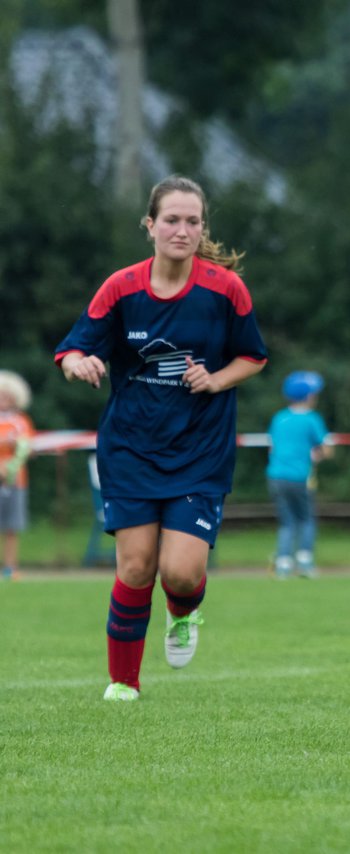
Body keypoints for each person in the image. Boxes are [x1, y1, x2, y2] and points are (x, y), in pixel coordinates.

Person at [55, 175, 267, 701]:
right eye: (171, 219)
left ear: (202, 228)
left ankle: (183, 611)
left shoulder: (225, 289)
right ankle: (123, 683)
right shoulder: (121, 287)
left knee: (179, 572)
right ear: (149, 225)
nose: (182, 229)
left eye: (192, 221)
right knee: (135, 565)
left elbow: (254, 356)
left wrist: (216, 379)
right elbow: (73, 349)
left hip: (199, 448)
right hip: (130, 446)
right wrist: (80, 364)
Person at [266, 370, 332, 579]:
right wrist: (316, 456)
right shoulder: (312, 419)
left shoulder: (279, 418)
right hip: (300, 477)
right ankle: (305, 562)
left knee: (286, 522)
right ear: (309, 396)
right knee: (305, 519)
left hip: (275, 477)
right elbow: (326, 449)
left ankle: (283, 564)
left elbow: (272, 448)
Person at [0, 371, 34, 581]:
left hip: (15, 481)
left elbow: (27, 448)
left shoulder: (21, 421)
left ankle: (10, 568)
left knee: (12, 527)